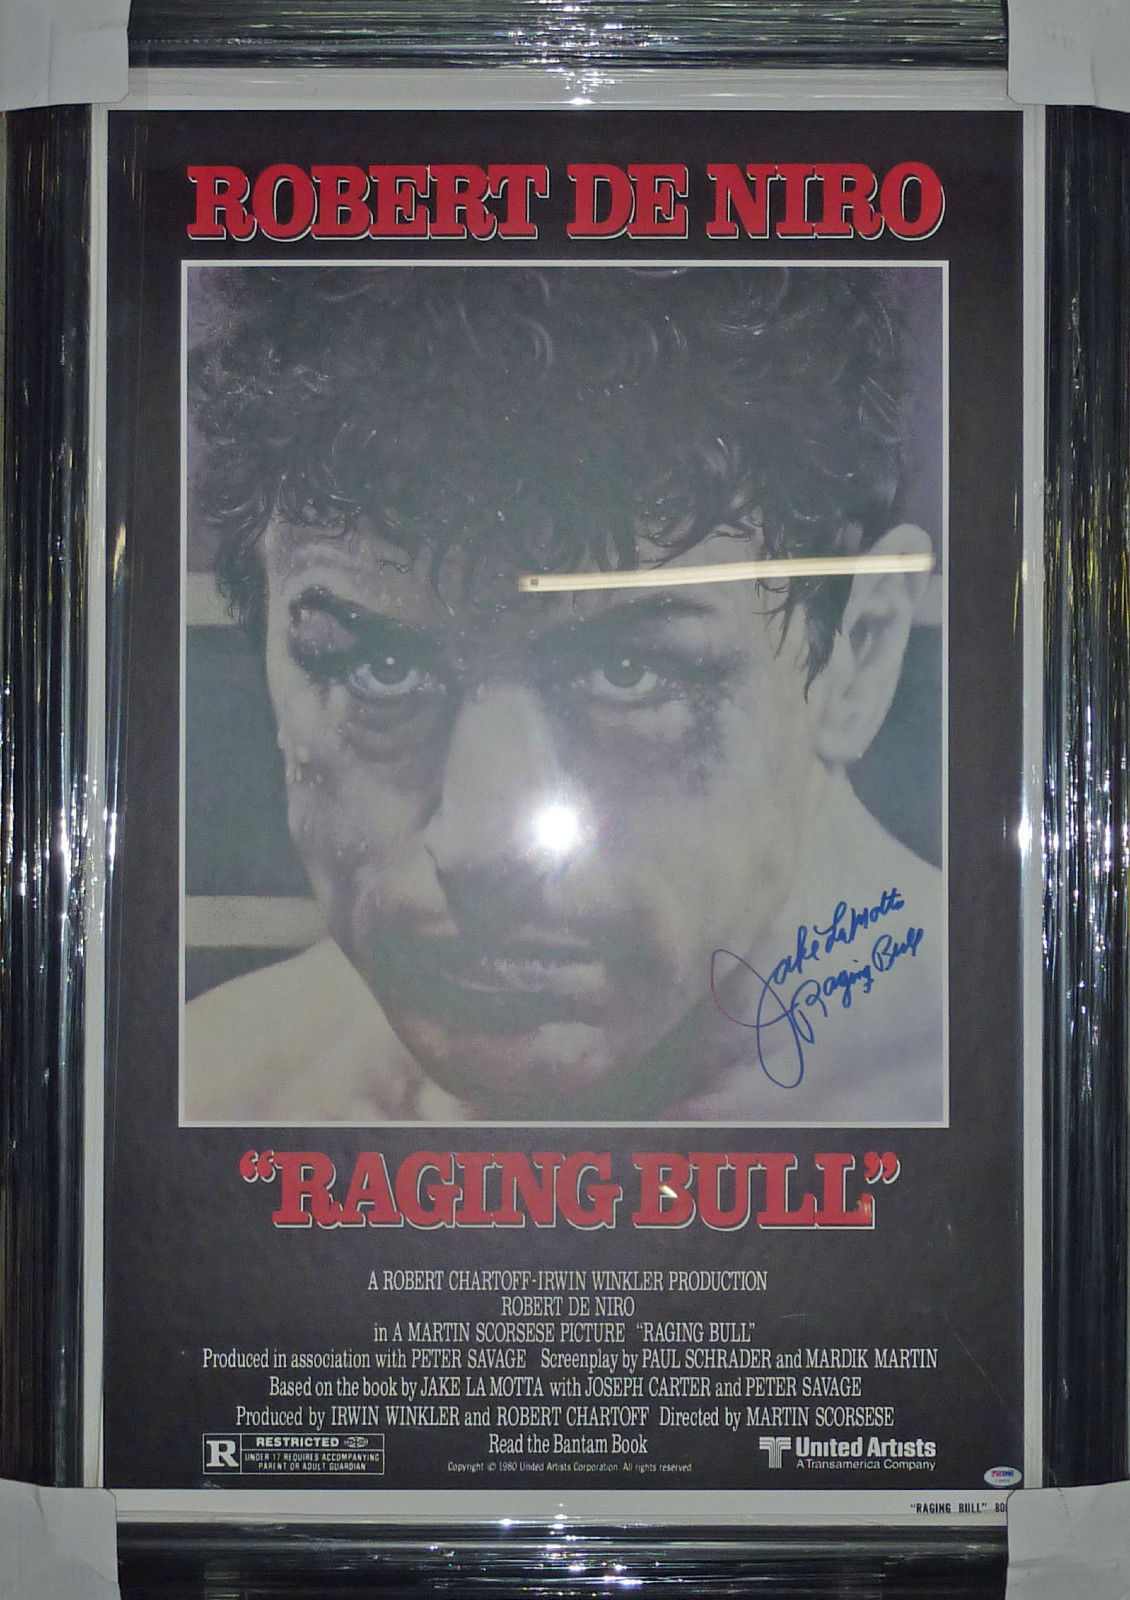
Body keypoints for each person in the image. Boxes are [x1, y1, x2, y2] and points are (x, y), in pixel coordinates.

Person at [183, 263, 944, 1125]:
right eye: (382, 668)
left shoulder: (1013, 1102)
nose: (484, 850)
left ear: (858, 653)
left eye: (629, 674)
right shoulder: (224, 1094)